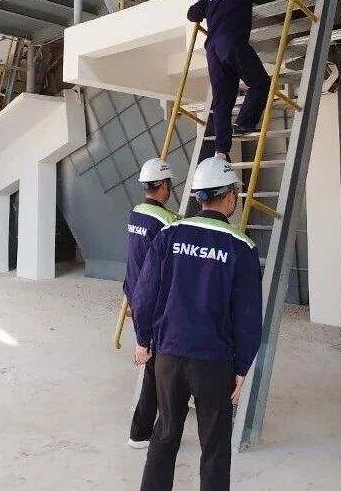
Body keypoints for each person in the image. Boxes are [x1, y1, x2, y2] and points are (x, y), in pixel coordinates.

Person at [131, 157, 263, 491]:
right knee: (215, 446)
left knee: (165, 434)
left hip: (169, 356)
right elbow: (248, 316)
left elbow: (144, 294)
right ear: (230, 196)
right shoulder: (242, 247)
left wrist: (144, 340)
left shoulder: (169, 234)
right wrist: (241, 367)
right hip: (213, 361)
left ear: (199, 196)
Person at [187, 0, 283, 162]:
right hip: (232, 44)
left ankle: (221, 151)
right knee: (259, 82)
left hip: (213, 51)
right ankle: (244, 122)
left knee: (222, 100)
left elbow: (192, 14)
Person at [125, 158, 178, 449]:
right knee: (156, 370)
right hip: (155, 304)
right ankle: (140, 432)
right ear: (165, 186)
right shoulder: (166, 222)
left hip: (136, 295)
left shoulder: (135, 213)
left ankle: (149, 427)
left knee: (157, 366)